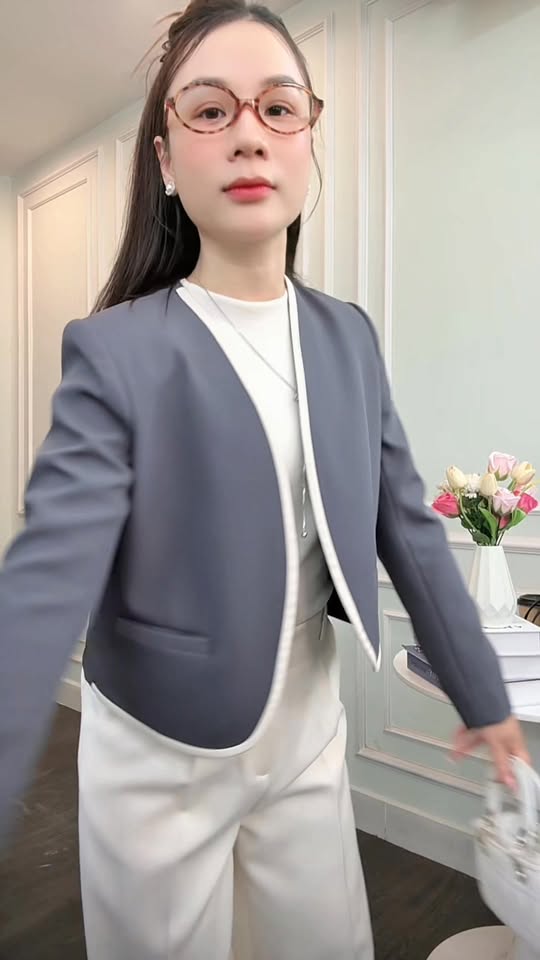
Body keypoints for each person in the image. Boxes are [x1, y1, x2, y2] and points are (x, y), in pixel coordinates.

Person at [0, 1, 530, 958]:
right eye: (210, 110)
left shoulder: (347, 335)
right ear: (166, 159)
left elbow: (406, 527)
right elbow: (49, 575)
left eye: (278, 107)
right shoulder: (116, 350)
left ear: (308, 137)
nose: (248, 133)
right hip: (158, 748)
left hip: (307, 728)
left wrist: (481, 691)